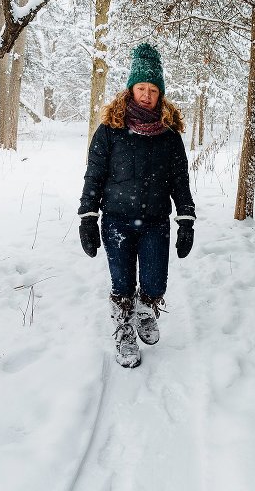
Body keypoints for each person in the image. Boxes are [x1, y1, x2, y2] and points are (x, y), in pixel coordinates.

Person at [77, 43, 195, 368]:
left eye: (152, 89)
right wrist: (88, 218)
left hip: (156, 222)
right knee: (122, 282)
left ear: (161, 94)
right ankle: (124, 326)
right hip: (116, 222)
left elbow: (180, 182)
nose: (146, 95)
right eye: (141, 88)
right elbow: (94, 177)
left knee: (156, 282)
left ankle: (146, 309)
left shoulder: (169, 137)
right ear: (131, 89)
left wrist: (186, 220)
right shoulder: (110, 131)